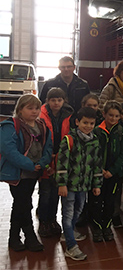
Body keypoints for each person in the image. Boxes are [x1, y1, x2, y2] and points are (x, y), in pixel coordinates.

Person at [1, 94, 52, 252]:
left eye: (37, 108)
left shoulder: (41, 125)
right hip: (18, 174)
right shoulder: (11, 126)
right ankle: (30, 237)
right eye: (29, 108)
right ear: (20, 109)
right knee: (24, 204)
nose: (34, 111)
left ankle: (14, 237)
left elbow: (48, 147)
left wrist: (42, 163)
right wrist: (30, 165)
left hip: (33, 173)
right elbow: (8, 150)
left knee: (20, 204)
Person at [57, 107, 102, 261]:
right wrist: (61, 184)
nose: (88, 126)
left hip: (84, 186)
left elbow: (97, 164)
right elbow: (62, 164)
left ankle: (68, 231)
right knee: (68, 214)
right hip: (69, 186)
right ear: (77, 122)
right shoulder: (69, 140)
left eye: (91, 123)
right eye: (85, 123)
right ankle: (71, 246)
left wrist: (97, 184)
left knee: (79, 209)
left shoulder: (95, 140)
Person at [90, 101, 123, 242]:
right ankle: (96, 227)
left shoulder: (122, 133)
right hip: (97, 174)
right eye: (110, 115)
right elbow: (92, 153)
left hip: (113, 175)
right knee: (96, 201)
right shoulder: (96, 132)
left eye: (116, 116)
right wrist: (100, 170)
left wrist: (112, 171)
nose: (113, 118)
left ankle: (107, 226)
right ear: (104, 114)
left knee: (110, 201)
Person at [38, 88, 73, 238]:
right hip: (46, 156)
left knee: (55, 194)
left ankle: (52, 219)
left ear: (64, 101)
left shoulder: (69, 115)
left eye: (59, 100)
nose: (56, 103)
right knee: (45, 193)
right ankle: (44, 221)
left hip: (61, 158)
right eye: (53, 100)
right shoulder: (41, 116)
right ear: (47, 101)